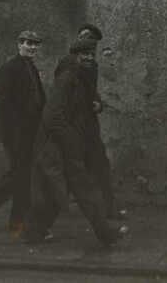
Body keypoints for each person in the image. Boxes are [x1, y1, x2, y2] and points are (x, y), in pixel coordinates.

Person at [21, 38, 128, 246]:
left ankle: (34, 231)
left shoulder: (80, 77)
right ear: (74, 56)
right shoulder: (67, 78)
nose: (88, 57)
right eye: (84, 54)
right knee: (80, 189)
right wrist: (70, 141)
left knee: (60, 191)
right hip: (57, 146)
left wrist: (96, 104)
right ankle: (105, 233)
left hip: (68, 146)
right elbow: (51, 115)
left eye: (91, 54)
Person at [53, 23, 126, 221]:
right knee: (68, 172)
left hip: (89, 127)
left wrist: (98, 103)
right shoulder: (67, 65)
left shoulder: (91, 65)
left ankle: (107, 210)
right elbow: (60, 97)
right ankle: (41, 219)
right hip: (73, 127)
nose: (88, 42)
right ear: (77, 38)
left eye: (92, 41)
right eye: (84, 36)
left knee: (100, 166)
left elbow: (92, 91)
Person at [0, 30, 46, 237]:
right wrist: (20, 124)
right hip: (16, 132)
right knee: (20, 174)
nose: (32, 47)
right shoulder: (9, 69)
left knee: (24, 176)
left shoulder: (31, 69)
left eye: (35, 44)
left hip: (30, 131)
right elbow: (1, 103)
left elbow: (36, 98)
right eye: (28, 43)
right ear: (19, 45)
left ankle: (15, 221)